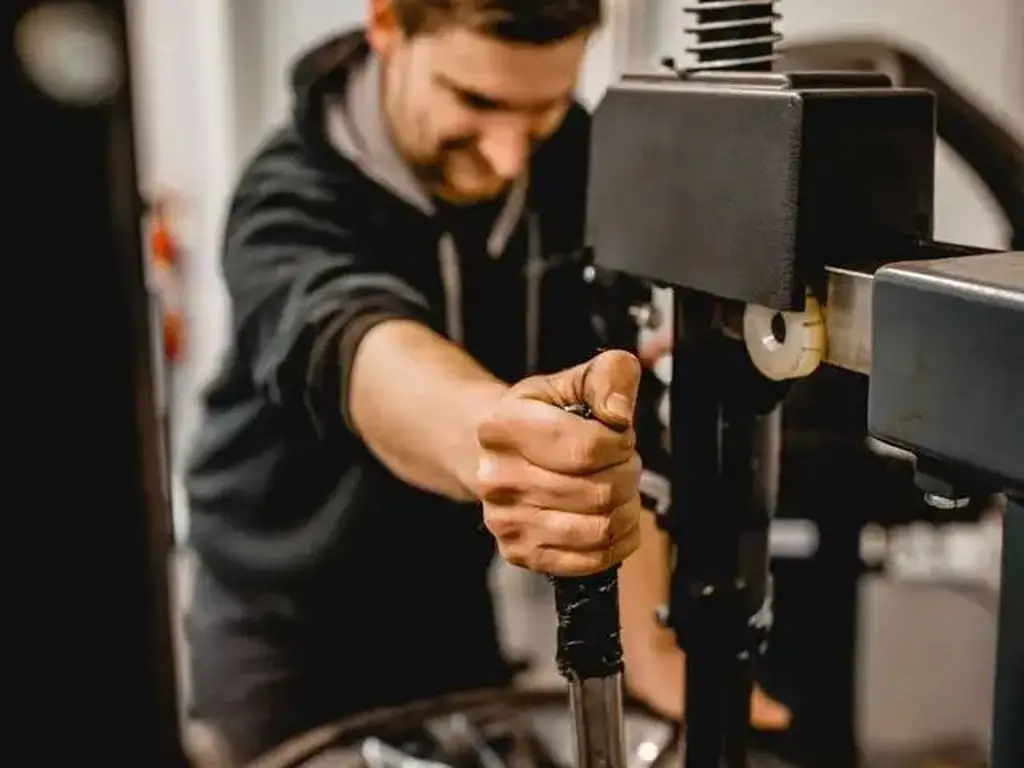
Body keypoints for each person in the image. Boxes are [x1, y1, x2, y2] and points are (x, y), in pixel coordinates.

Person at [184, 0, 790, 761]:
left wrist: (650, 651)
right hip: (280, 618)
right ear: (387, 25)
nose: (509, 158)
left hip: (448, 595)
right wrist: (500, 439)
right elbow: (361, 351)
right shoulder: (288, 192)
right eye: (475, 99)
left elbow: (617, 393)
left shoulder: (573, 160)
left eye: (542, 108)